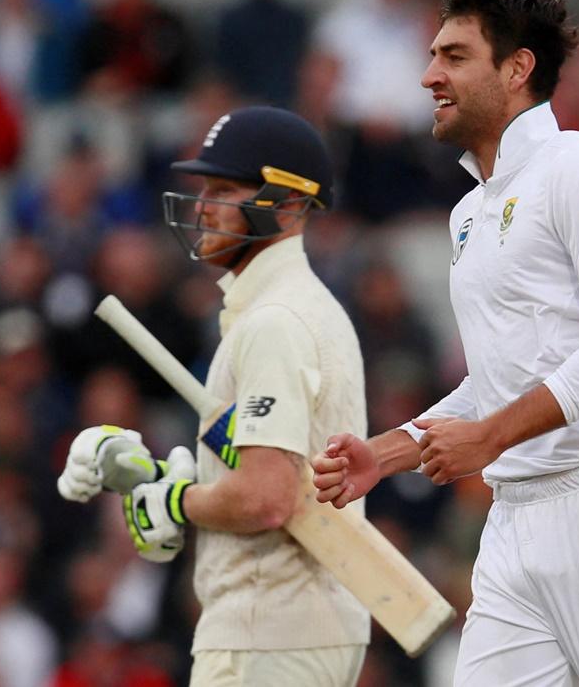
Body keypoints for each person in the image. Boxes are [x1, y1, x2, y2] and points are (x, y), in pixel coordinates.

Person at [311, 0, 579, 686]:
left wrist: (490, 437)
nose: (429, 75)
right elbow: (496, 385)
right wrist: (390, 453)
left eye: (454, 56)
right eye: (432, 55)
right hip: (516, 518)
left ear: (518, 67)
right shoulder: (469, 215)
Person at [57, 106, 369, 686]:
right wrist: (152, 475)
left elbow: (266, 497)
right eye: (204, 188)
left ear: (288, 204)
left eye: (224, 189)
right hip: (283, 629)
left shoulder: (277, 321)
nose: (202, 206)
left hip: (270, 633)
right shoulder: (279, 312)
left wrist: (174, 501)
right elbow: (267, 475)